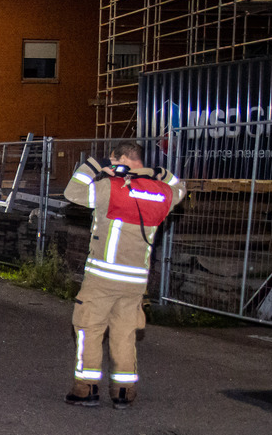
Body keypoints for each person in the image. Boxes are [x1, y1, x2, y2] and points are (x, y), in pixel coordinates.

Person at [63, 141, 186, 409]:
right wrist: (158, 173)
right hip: (136, 281)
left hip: (103, 276)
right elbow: (181, 187)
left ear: (120, 159)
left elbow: (72, 192)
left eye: (113, 160)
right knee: (125, 332)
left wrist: (96, 165)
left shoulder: (110, 188)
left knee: (89, 328)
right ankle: (123, 392)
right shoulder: (163, 193)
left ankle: (86, 388)